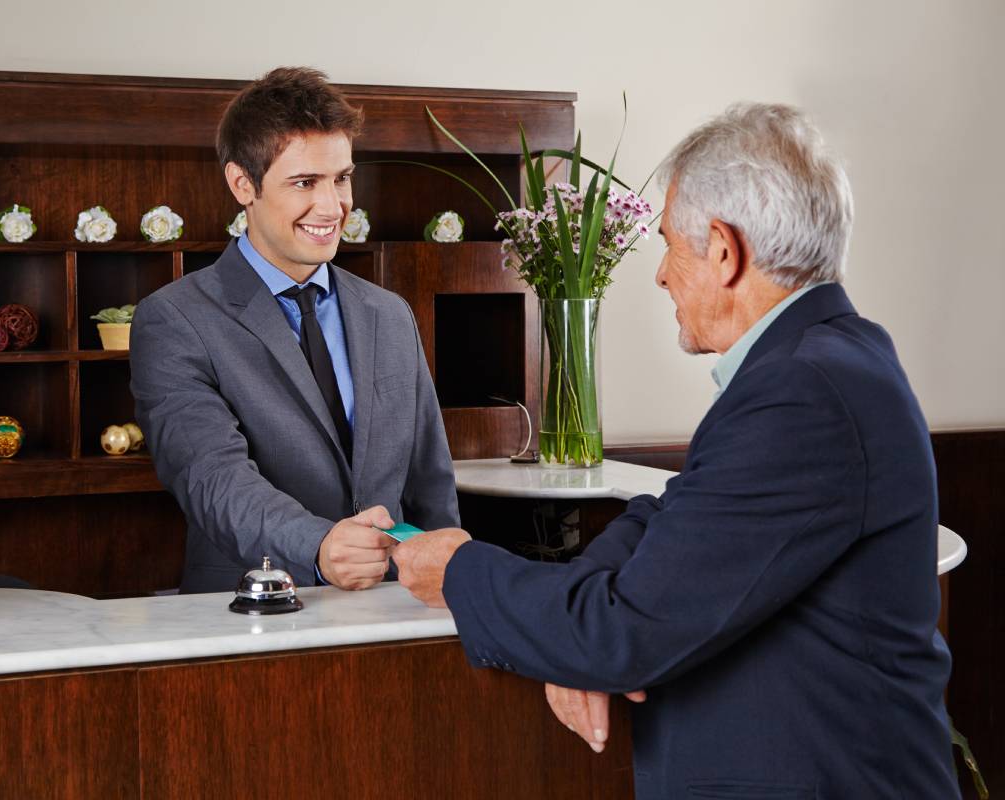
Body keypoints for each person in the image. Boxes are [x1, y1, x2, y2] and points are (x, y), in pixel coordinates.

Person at [393, 103, 959, 798]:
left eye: (669, 244)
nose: (660, 275)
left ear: (723, 250)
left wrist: (459, 569)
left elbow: (624, 634)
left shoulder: (801, 389)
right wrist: (580, 618)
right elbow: (673, 514)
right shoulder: (832, 358)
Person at [131, 67, 458, 594]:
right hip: (251, 618)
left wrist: (457, 590)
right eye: (305, 182)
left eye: (342, 178)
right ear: (242, 183)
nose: (333, 207)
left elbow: (430, 487)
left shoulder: (390, 313)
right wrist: (320, 547)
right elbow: (213, 481)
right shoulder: (174, 319)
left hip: (395, 613)